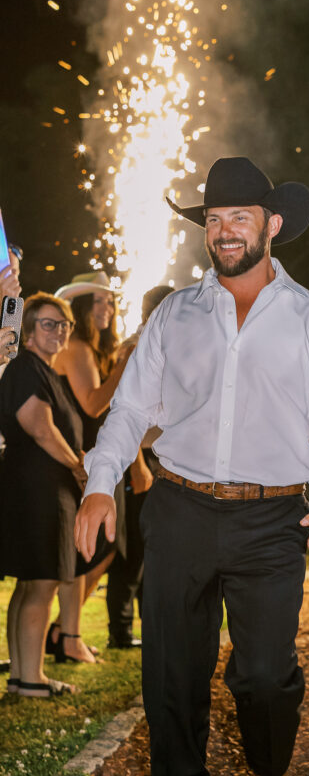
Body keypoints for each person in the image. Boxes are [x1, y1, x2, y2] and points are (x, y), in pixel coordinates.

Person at [73, 156, 309, 776]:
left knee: (265, 676)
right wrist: (100, 484)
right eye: (213, 220)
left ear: (271, 225)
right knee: (171, 678)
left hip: (273, 520)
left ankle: (269, 772)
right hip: (177, 508)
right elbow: (132, 410)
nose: (224, 231)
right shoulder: (175, 314)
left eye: (238, 217)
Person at [0, 294, 87, 698]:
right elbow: (38, 425)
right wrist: (76, 465)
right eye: (49, 324)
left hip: (35, 486)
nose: (59, 331)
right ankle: (30, 679)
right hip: (40, 488)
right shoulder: (27, 367)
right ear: (29, 331)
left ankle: (22, 675)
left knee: (30, 583)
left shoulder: (42, 370)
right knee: (43, 582)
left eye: (64, 324)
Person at [49, 275, 134, 663]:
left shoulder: (93, 349)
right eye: (98, 302)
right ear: (81, 308)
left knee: (102, 550)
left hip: (97, 459)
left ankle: (63, 631)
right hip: (80, 460)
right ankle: (66, 634)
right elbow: (94, 405)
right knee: (88, 550)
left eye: (111, 302)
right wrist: (125, 366)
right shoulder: (79, 348)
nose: (107, 309)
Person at [105, 285, 173, 649]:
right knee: (132, 548)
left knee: (156, 549)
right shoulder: (136, 346)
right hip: (141, 456)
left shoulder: (171, 341)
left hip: (162, 456)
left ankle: (152, 628)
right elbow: (122, 410)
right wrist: (136, 465)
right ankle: (120, 630)